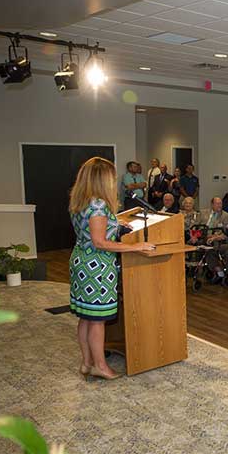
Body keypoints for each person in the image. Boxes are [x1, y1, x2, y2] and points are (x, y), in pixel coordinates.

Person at [69, 157, 155, 380]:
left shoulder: (82, 200)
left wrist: (116, 223)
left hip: (81, 261)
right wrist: (136, 246)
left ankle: (87, 362)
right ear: (102, 180)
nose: (114, 181)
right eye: (111, 177)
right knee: (97, 319)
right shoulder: (98, 205)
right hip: (96, 266)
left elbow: (93, 229)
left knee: (86, 317)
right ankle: (100, 366)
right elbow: (100, 242)